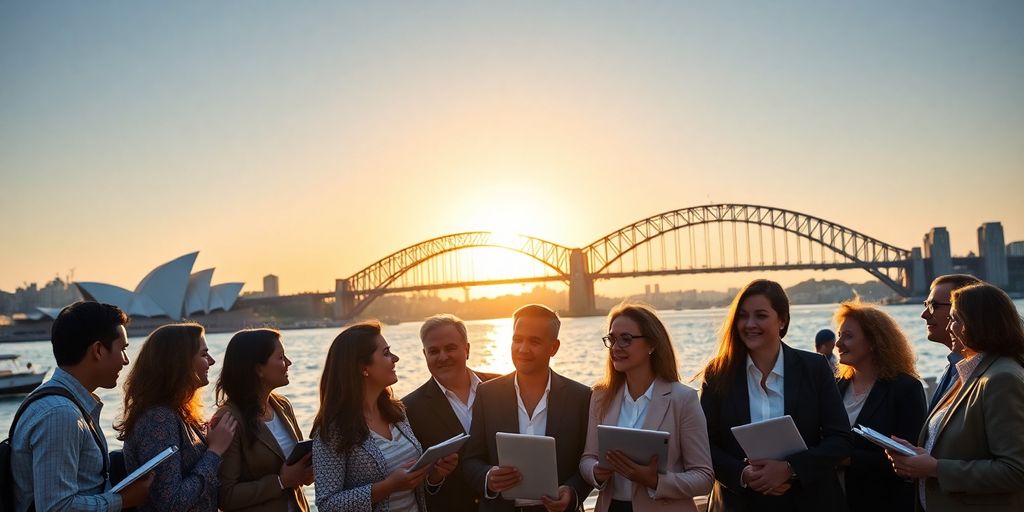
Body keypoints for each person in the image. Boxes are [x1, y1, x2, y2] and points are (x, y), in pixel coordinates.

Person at [698, 279, 852, 512]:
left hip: (808, 502)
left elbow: (840, 440)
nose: (749, 324)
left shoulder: (815, 368)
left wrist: (790, 468)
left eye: (760, 315)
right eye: (742, 316)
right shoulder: (718, 373)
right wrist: (743, 474)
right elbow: (704, 444)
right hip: (739, 504)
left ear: (782, 320)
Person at [887, 283, 1024, 511]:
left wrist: (935, 468)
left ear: (979, 324)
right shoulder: (971, 372)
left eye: (955, 320)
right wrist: (921, 454)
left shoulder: (1001, 379)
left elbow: (1016, 470)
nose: (949, 327)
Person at [10, 301, 152, 511]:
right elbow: (56, 507)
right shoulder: (60, 414)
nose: (126, 360)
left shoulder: (58, 402)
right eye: (122, 349)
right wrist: (123, 500)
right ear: (98, 350)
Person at [579, 303, 714, 512]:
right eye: (612, 339)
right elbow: (588, 458)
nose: (615, 347)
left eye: (626, 339)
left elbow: (704, 477)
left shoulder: (683, 399)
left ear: (651, 345)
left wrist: (656, 481)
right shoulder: (600, 397)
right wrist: (597, 472)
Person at [311, 321, 458, 512]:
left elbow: (410, 487)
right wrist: (388, 486)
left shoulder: (397, 413)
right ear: (363, 367)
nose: (395, 358)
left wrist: (434, 475)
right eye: (386, 353)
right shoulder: (332, 430)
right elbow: (327, 504)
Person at [462, 304, 593, 512]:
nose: (523, 349)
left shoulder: (581, 397)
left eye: (534, 341)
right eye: (517, 339)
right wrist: (489, 477)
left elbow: (587, 462)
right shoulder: (487, 394)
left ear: (554, 347)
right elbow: (470, 460)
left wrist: (572, 493)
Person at [116, 323, 238, 512]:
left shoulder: (178, 412)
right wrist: (214, 451)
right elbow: (171, 503)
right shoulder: (158, 419)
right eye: (204, 354)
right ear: (180, 362)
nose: (212, 361)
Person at [833, 302, 926, 512]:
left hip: (883, 502)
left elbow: (909, 460)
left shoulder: (906, 388)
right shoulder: (836, 387)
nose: (838, 343)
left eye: (848, 336)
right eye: (839, 335)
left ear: (874, 341)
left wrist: (847, 458)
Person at [403, 314, 500, 512]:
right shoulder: (408, 408)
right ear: (425, 355)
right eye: (434, 351)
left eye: (450, 348)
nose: (443, 357)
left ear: (467, 349)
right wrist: (434, 478)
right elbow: (413, 484)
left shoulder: (502, 387)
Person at [214, 328, 313, 511]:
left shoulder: (282, 405)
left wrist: (307, 472)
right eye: (281, 357)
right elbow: (225, 496)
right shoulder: (228, 419)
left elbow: (297, 470)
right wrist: (281, 482)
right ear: (258, 369)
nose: (289, 363)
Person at [921, 274, 981, 411]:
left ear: (963, 310)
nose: (924, 314)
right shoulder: (953, 367)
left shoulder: (992, 376)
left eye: (933, 306)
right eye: (926, 304)